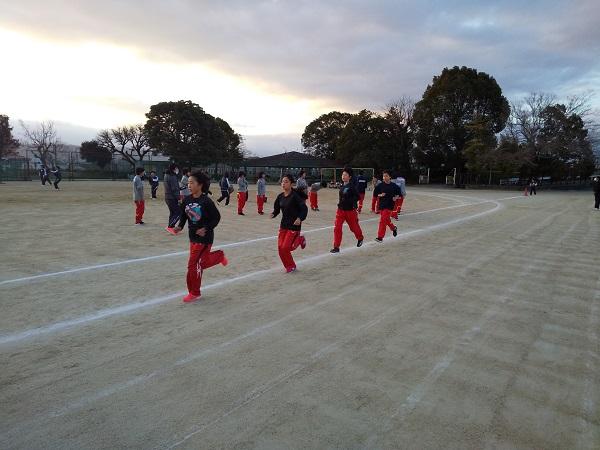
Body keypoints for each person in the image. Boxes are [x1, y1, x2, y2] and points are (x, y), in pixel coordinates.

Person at [172, 171, 228, 303]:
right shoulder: (187, 200)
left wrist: (206, 228)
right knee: (199, 264)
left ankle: (195, 292)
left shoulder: (206, 201)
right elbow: (184, 215)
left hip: (205, 238)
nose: (189, 185)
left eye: (192, 183)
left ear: (200, 185)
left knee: (192, 264)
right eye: (188, 183)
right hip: (193, 237)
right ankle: (219, 256)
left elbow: (216, 218)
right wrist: (180, 226)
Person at [271, 174, 308, 273]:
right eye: (282, 181)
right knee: (280, 248)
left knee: (286, 247)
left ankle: (300, 239)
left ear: (291, 184)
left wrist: (300, 218)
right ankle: (289, 266)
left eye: (286, 181)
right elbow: (277, 209)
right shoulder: (280, 197)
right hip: (284, 225)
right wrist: (274, 213)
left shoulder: (295, 196)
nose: (283, 183)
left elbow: (304, 209)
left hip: (294, 226)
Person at [330, 169, 364, 253]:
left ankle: (360, 238)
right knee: (337, 228)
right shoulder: (341, 186)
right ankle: (336, 247)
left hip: (350, 211)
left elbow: (358, 197)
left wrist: (350, 200)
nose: (343, 176)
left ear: (349, 177)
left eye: (345, 175)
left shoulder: (352, 186)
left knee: (354, 228)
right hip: (340, 210)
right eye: (343, 174)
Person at [373, 170, 400, 242]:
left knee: (382, 221)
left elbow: (399, 194)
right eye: (383, 176)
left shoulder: (394, 186)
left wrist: (395, 197)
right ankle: (393, 228)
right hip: (381, 205)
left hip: (389, 206)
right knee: (386, 220)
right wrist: (380, 195)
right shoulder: (380, 185)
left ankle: (380, 237)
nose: (384, 177)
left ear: (390, 177)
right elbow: (375, 194)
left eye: (386, 176)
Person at [164, 164, 181, 232]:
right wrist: (179, 198)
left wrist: (179, 188)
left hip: (168, 197)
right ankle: (170, 226)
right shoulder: (172, 176)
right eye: (177, 168)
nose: (177, 170)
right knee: (179, 213)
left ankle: (171, 226)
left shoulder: (166, 175)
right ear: (174, 169)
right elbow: (174, 189)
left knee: (173, 212)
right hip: (172, 197)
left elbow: (171, 186)